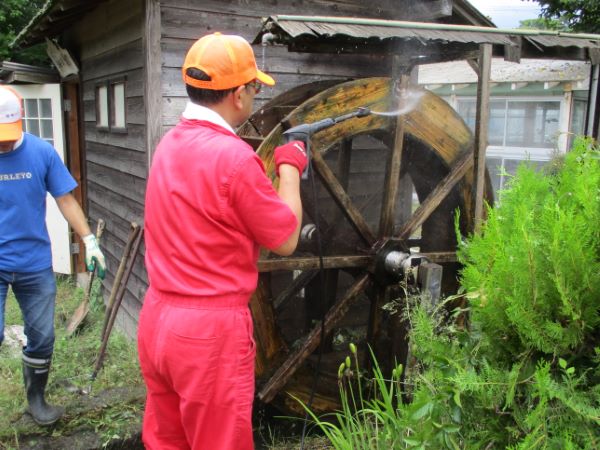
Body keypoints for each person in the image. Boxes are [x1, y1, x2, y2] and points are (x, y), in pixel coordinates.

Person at [139, 32, 307, 450]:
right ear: (236, 95)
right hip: (207, 335)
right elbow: (285, 238)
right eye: (252, 87)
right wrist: (289, 168)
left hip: (158, 319)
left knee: (167, 442)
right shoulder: (233, 158)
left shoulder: (168, 146)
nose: (253, 95)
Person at [0, 85, 106, 426]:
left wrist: (89, 240)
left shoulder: (40, 153)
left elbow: (65, 199)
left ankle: (36, 399)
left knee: (43, 335)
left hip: (34, 263)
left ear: (22, 121)